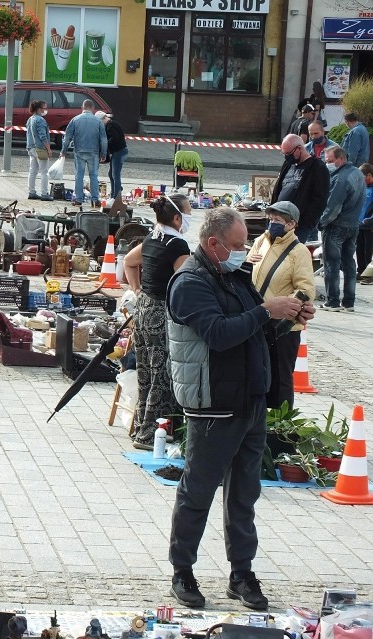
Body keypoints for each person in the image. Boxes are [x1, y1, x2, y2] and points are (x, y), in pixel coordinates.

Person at [166, 207, 314, 611]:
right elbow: (218, 334)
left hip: (250, 399)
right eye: (235, 245)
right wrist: (267, 309)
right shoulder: (189, 282)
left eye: (243, 244)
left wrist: (287, 318)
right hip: (213, 404)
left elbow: (258, 331)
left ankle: (241, 574)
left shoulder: (234, 275)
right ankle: (183, 571)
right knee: (198, 491)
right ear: (212, 244)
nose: (243, 251)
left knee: (244, 495)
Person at [123, 194, 192, 449]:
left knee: (145, 372)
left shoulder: (153, 237)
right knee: (162, 374)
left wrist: (137, 289)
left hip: (143, 309)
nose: (190, 217)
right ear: (177, 218)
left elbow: (129, 262)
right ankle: (151, 434)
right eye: (188, 212)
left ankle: (142, 425)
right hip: (161, 312)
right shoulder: (177, 245)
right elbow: (186, 283)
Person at [246, 201, 315, 410]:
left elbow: (306, 290)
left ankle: (280, 429)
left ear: (292, 224)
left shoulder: (299, 251)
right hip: (258, 318)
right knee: (256, 374)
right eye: (271, 218)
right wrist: (247, 260)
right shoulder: (260, 241)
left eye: (278, 220)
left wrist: (286, 311)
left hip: (281, 327)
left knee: (280, 379)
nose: (273, 223)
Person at [317, 146, 366, 311]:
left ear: (341, 159)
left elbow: (333, 207)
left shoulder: (341, 179)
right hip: (353, 225)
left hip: (336, 226)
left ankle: (333, 301)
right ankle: (349, 301)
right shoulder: (358, 174)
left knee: (332, 263)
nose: (327, 164)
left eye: (330, 161)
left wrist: (321, 223)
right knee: (349, 263)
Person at [271, 134, 330, 243]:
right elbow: (279, 187)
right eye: (284, 154)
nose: (286, 157)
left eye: (288, 153)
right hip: (278, 220)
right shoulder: (289, 164)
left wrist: (306, 223)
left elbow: (320, 199)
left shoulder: (317, 167)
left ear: (299, 148)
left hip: (298, 225)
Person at [60, 99, 107, 207]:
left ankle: (78, 199)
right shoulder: (98, 121)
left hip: (79, 151)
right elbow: (103, 140)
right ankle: (95, 200)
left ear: (82, 107)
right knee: (94, 176)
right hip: (93, 152)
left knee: (79, 175)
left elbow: (67, 137)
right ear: (93, 108)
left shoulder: (75, 120)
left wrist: (63, 151)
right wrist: (103, 153)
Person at [25, 99, 53, 201]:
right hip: (40, 149)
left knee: (32, 171)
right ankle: (44, 193)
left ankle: (31, 192)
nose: (45, 110)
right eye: (44, 108)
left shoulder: (30, 119)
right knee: (44, 171)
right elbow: (43, 136)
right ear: (38, 109)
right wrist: (49, 149)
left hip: (31, 147)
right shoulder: (41, 120)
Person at [97, 110, 128, 199]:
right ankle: (115, 192)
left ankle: (116, 196)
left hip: (119, 152)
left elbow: (114, 139)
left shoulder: (111, 126)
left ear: (103, 119)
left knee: (115, 174)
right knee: (111, 174)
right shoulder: (111, 124)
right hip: (118, 152)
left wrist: (106, 145)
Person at [358, 163, 373, 283]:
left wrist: (369, 221)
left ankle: (369, 274)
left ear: (369, 175)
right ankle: (361, 270)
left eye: (363, 178)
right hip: (359, 225)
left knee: (369, 250)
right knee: (359, 249)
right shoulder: (363, 187)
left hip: (369, 226)